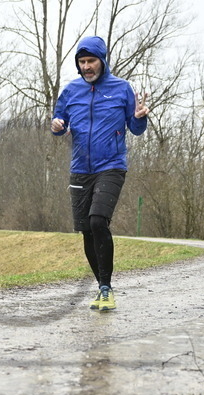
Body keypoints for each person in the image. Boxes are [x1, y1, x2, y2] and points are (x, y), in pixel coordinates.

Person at [51, 36, 149, 311]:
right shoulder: (71, 91)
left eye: (91, 61)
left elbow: (137, 129)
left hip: (111, 166)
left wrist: (140, 117)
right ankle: (102, 288)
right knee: (86, 231)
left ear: (102, 61)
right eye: (81, 62)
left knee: (97, 221)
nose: (86, 67)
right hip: (80, 168)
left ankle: (106, 288)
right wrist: (57, 125)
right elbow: (58, 122)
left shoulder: (121, 89)